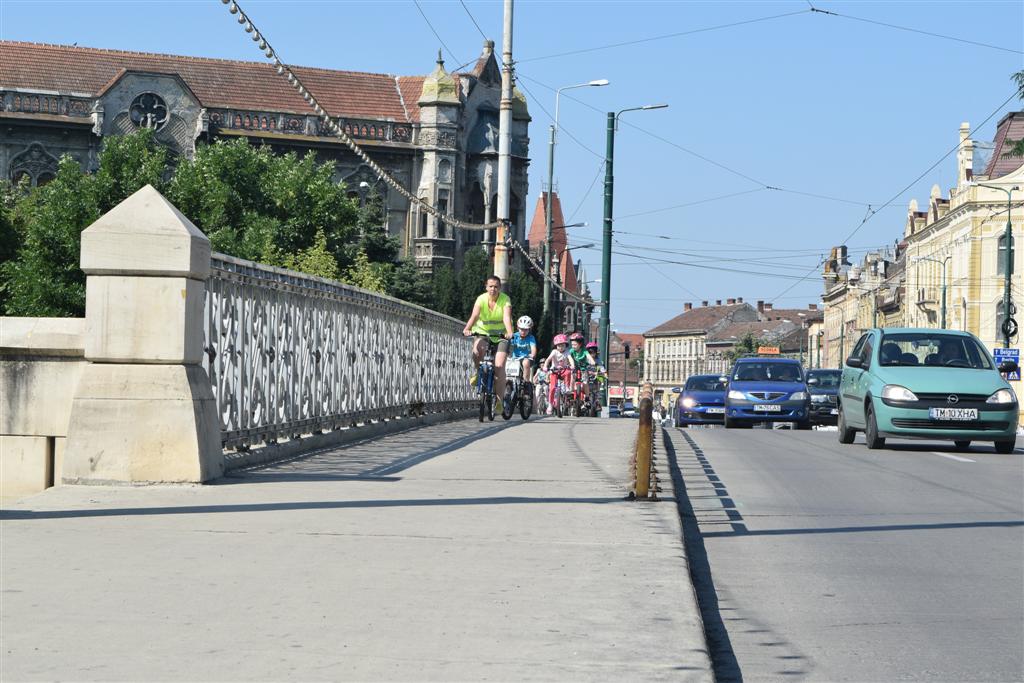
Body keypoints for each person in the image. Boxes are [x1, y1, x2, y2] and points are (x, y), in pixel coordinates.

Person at [462, 275, 514, 401]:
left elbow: (506, 317)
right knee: (477, 352)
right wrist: (467, 328)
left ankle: (499, 401)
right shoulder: (481, 299)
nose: (493, 289)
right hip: (483, 333)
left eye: (496, 287)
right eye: (490, 286)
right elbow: (475, 315)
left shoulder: (505, 299)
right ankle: (478, 372)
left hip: (501, 335)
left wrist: (509, 332)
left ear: (500, 288)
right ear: (486, 287)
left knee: (499, 366)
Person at [542, 334, 572, 414]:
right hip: (554, 371)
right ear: (556, 346)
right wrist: (545, 366)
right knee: (552, 388)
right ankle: (550, 405)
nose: (561, 347)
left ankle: (567, 387)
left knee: (568, 372)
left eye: (563, 345)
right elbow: (548, 359)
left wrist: (572, 365)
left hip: (563, 370)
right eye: (559, 345)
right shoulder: (554, 352)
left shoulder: (567, 352)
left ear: (566, 345)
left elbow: (570, 359)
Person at [508, 315, 538, 393]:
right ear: (518, 328)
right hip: (514, 359)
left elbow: (533, 348)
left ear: (529, 329)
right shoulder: (514, 336)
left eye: (526, 330)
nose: (523, 332)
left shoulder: (531, 338)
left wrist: (533, 354)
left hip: (526, 358)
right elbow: (509, 346)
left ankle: (525, 383)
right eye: (521, 329)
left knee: (526, 362)